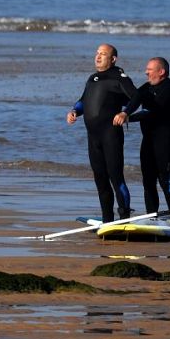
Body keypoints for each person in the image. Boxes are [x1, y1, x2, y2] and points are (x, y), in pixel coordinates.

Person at [67, 44, 137, 223]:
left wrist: (125, 113)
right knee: (100, 180)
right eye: (97, 53)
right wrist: (74, 111)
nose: (98, 57)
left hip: (111, 136)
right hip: (93, 138)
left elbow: (136, 97)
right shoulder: (92, 78)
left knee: (116, 178)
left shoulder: (119, 77)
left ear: (113, 59)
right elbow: (83, 101)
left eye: (103, 54)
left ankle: (124, 219)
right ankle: (108, 220)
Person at [114, 56, 170, 221]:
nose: (146, 72)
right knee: (148, 182)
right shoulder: (147, 87)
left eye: (150, 70)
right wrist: (124, 111)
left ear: (161, 71)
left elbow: (151, 111)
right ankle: (152, 218)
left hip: (165, 141)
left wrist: (128, 117)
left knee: (165, 181)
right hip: (148, 141)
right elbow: (135, 99)